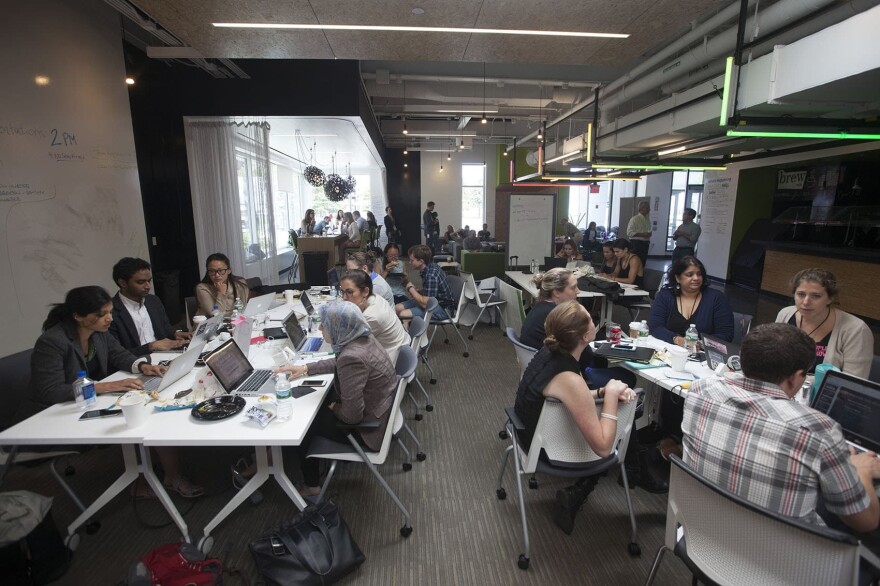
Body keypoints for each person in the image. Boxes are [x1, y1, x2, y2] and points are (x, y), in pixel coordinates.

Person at [682, 323, 880, 542]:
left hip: (701, 537)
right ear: (796, 377)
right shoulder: (818, 429)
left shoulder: (701, 390)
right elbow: (866, 522)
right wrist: (861, 470)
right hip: (781, 566)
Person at [25, 286, 203, 497]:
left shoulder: (98, 333)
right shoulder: (53, 342)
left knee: (148, 411)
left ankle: (162, 474)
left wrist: (143, 367)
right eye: (101, 314)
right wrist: (104, 386)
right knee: (144, 419)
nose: (109, 318)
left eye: (110, 312)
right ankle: (145, 481)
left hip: (89, 402)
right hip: (54, 416)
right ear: (78, 317)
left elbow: (120, 355)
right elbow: (50, 391)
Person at [515, 300, 637, 533]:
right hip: (548, 450)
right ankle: (636, 471)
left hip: (529, 433)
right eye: (591, 320)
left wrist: (601, 391)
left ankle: (636, 470)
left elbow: (574, 395)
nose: (594, 322)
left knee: (617, 410)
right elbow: (602, 447)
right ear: (584, 337)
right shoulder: (569, 376)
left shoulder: (549, 354)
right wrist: (611, 394)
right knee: (625, 418)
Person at [276, 302, 397, 496]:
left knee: (304, 425)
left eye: (324, 324)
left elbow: (351, 416)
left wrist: (334, 407)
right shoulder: (363, 338)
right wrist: (306, 368)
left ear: (338, 327)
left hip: (368, 428)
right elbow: (340, 360)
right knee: (318, 403)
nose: (321, 328)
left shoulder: (352, 357)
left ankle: (312, 485)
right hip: (380, 410)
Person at [775, 268, 873, 378]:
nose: (806, 302)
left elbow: (852, 385)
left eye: (816, 296)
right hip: (781, 387)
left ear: (830, 299)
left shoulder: (856, 330)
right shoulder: (785, 314)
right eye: (801, 294)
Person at [109, 257, 190, 356]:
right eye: (141, 282)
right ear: (123, 283)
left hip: (166, 355)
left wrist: (176, 334)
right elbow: (115, 355)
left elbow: (166, 331)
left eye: (149, 281)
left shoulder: (153, 301)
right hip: (135, 362)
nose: (148, 286)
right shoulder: (110, 311)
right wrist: (151, 346)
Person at [648, 255, 734, 346]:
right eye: (690, 274)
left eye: (699, 274)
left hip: (703, 354)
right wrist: (677, 339)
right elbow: (655, 326)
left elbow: (726, 334)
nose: (696, 278)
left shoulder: (717, 298)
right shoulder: (665, 296)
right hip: (669, 351)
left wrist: (700, 344)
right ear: (677, 278)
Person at [339, 270, 410, 364]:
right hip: (396, 348)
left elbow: (344, 344)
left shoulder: (370, 316)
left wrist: (356, 313)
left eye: (349, 292)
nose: (344, 297)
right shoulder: (375, 297)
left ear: (365, 291)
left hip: (390, 361)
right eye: (342, 292)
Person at [396, 244, 454, 321]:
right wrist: (419, 292)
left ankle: (408, 333)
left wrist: (411, 288)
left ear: (421, 261)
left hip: (443, 309)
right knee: (397, 308)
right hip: (435, 302)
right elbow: (432, 292)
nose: (409, 262)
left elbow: (425, 304)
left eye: (412, 260)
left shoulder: (431, 275)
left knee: (404, 314)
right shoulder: (429, 267)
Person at [194, 253, 250, 317]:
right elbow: (216, 317)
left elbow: (243, 309)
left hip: (235, 321)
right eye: (212, 271)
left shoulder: (240, 284)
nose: (217, 275)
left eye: (221, 270)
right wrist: (220, 293)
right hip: (211, 324)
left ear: (229, 270)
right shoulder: (202, 288)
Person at [626, 201, 651, 265]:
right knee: (636, 262)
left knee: (643, 261)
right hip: (636, 244)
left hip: (645, 243)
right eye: (647, 208)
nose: (649, 209)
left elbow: (648, 231)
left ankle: (641, 274)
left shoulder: (647, 220)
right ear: (641, 208)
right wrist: (642, 234)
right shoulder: (635, 219)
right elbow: (629, 232)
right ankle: (634, 274)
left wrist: (649, 234)